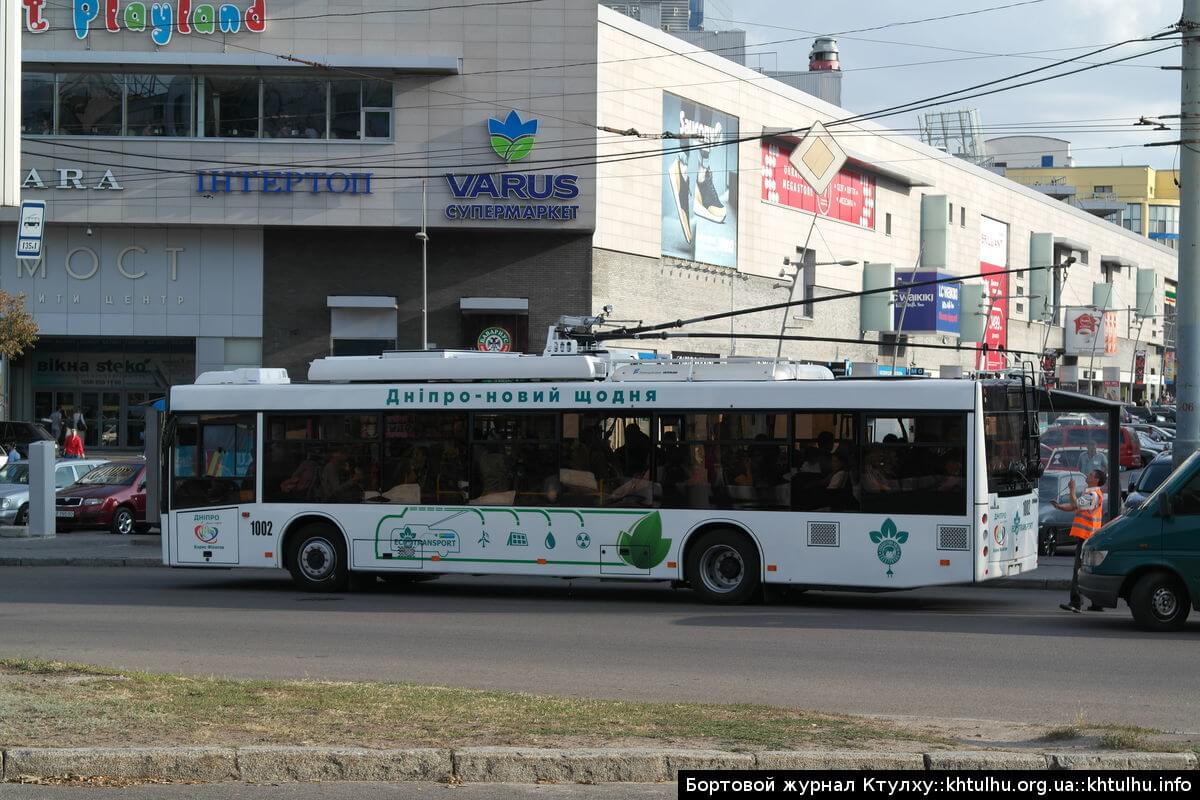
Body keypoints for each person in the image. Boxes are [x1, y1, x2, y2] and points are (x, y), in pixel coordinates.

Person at [1054, 469, 1106, 613]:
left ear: (1096, 480)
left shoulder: (1092, 495)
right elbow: (1073, 507)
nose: (1087, 475)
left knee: (1078, 570)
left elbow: (1075, 504)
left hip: (1086, 537)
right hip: (1089, 537)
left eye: (1090, 474)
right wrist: (1059, 507)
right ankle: (1097, 603)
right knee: (1090, 571)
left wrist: (1072, 489)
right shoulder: (1091, 493)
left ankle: (1076, 602)